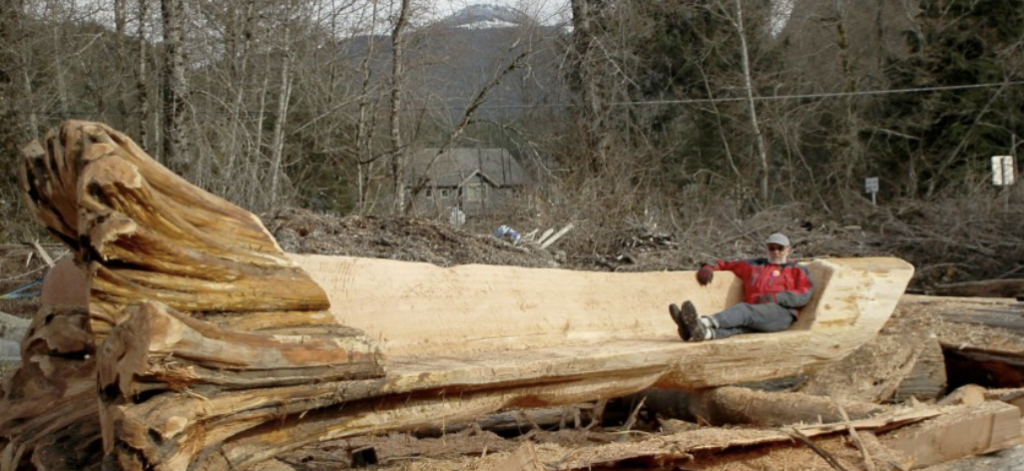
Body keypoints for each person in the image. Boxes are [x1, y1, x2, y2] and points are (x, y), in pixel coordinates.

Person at [669, 233, 814, 342]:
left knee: (744, 311)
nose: (776, 252)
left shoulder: (797, 270)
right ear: (767, 249)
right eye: (772, 248)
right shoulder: (754, 265)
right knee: (740, 326)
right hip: (755, 312)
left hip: (781, 314)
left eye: (780, 248)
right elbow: (726, 264)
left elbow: (804, 293)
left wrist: (776, 297)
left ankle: (700, 322)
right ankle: (700, 333)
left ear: (789, 250)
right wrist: (709, 267)